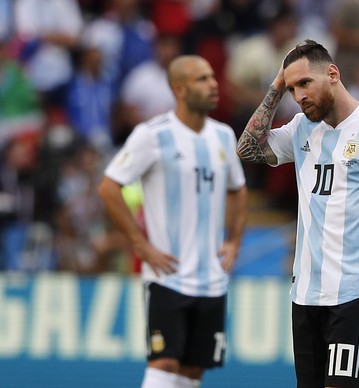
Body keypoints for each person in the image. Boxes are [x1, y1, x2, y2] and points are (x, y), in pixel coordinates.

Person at [237, 39, 359, 388]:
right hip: (305, 293)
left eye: (304, 83)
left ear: (332, 73)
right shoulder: (301, 129)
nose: (299, 95)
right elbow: (247, 149)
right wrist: (275, 87)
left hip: (356, 290)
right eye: (291, 88)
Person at [98, 55, 248, 388]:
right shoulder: (152, 135)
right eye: (202, 79)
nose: (213, 84)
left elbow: (238, 190)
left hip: (211, 277)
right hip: (168, 275)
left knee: (193, 370)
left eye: (212, 77)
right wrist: (140, 245)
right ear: (179, 89)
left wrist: (234, 240)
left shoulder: (223, 136)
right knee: (163, 362)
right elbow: (109, 188)